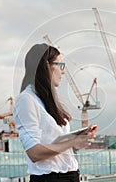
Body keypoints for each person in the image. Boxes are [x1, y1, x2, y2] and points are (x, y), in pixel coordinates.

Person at [13, 43, 98, 182]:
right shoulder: (26, 100)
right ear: (46, 66)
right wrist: (73, 141)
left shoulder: (47, 99)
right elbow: (34, 152)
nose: (63, 71)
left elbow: (54, 142)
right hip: (51, 178)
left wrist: (78, 139)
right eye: (60, 65)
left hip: (70, 176)